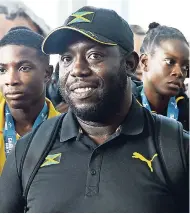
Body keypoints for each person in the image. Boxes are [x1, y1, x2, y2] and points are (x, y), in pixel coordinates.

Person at [0, 7, 188, 213]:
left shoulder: (178, 149)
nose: (77, 70)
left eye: (94, 55)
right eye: (66, 58)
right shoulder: (28, 150)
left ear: (129, 64)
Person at [0, 26, 60, 174]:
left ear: (47, 73)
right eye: (2, 70)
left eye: (24, 68)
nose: (11, 80)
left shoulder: (67, 131)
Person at [136, 22, 189, 131]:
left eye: (185, 66)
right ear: (145, 63)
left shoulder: (186, 110)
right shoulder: (121, 111)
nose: (179, 72)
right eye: (170, 61)